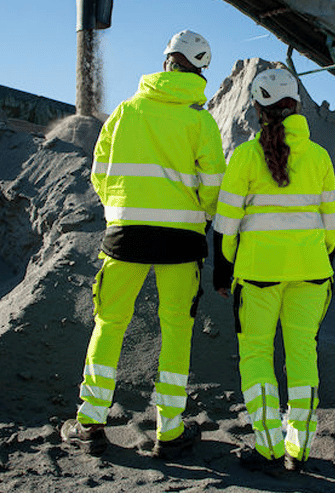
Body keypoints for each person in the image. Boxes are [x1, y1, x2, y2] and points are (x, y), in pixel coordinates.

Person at [61, 30, 225, 459]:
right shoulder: (201, 121)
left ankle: (90, 423)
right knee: (176, 330)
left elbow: (99, 173)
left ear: (166, 61)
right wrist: (198, 218)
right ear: (201, 69)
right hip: (181, 242)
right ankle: (169, 432)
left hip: (125, 235)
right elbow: (214, 187)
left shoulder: (125, 112)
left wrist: (122, 209)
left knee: (110, 323)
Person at [213, 67, 335, 473]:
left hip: (257, 275)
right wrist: (321, 261)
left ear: (256, 109)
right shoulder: (320, 157)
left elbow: (226, 224)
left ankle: (268, 447)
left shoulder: (246, 156)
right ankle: (298, 449)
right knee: (303, 355)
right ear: (297, 105)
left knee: (256, 355)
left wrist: (223, 269)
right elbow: (332, 227)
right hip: (311, 274)